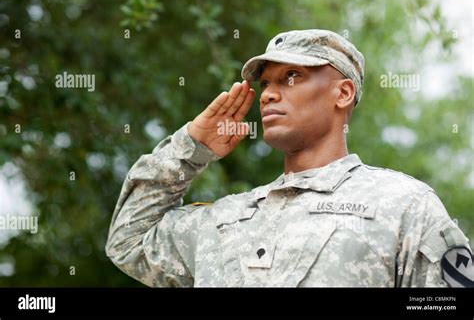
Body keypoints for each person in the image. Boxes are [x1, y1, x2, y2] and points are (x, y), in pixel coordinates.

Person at [106, 29, 473, 287]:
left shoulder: (403, 206)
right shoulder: (223, 220)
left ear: (342, 93)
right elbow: (127, 241)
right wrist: (190, 149)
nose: (267, 95)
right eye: (266, 83)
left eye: (292, 77)